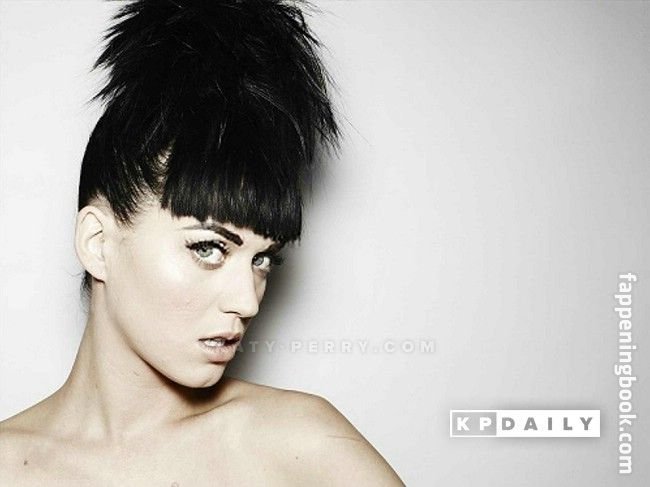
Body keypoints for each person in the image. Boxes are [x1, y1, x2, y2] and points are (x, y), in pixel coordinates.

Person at [0, 0, 404, 485]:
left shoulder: (306, 447)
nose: (247, 302)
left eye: (263, 259)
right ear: (98, 242)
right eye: (208, 249)